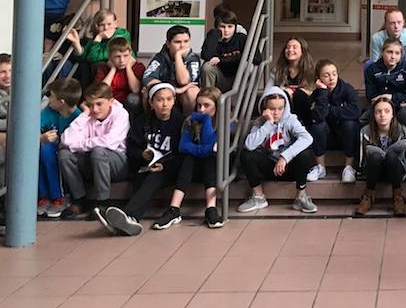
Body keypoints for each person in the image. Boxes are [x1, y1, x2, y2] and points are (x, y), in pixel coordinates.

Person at [95, 83, 185, 236]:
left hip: (169, 169)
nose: (165, 104)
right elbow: (131, 148)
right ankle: (130, 220)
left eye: (169, 99)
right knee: (141, 179)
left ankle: (129, 215)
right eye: (160, 100)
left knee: (154, 178)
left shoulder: (180, 122)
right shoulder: (141, 121)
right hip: (145, 167)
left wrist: (165, 165)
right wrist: (141, 154)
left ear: (174, 100)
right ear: (151, 103)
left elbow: (183, 155)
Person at [237, 86, 318, 214]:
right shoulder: (260, 122)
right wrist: (268, 124)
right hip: (269, 166)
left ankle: (301, 196)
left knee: (306, 154)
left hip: (289, 167)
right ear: (264, 108)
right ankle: (258, 197)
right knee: (246, 154)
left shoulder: (291, 120)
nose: (276, 113)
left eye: (280, 109)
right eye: (272, 109)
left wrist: (285, 157)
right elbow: (249, 145)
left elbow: (307, 138)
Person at [154, 87, 226, 230]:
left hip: (216, 167)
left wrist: (205, 121)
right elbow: (183, 146)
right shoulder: (190, 120)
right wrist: (203, 149)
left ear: (217, 107)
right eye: (198, 105)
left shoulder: (225, 124)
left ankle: (211, 209)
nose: (201, 109)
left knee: (209, 158)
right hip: (194, 166)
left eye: (206, 105)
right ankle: (174, 209)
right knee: (189, 158)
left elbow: (209, 144)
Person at [58, 83, 130, 219]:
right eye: (90, 105)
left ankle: (103, 202)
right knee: (64, 155)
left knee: (98, 151)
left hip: (118, 163)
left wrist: (79, 145)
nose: (94, 109)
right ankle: (80, 200)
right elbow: (65, 141)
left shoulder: (121, 114)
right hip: (92, 161)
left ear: (111, 101)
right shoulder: (88, 116)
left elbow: (109, 142)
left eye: (99, 104)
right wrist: (84, 115)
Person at [365, 38, 406, 180]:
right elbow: (371, 96)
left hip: (402, 108)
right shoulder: (372, 70)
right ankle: (363, 165)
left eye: (397, 53)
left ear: (402, 55)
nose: (393, 56)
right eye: (389, 52)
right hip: (379, 106)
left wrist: (391, 97)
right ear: (382, 52)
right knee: (362, 119)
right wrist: (391, 101)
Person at [355, 97, 406, 217]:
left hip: (394, 170)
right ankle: (368, 196)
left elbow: (401, 157)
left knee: (390, 156)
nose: (382, 115)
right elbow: (365, 155)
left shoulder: (402, 130)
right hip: (374, 170)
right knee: (375, 156)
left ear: (392, 115)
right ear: (373, 115)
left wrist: (383, 153)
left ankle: (397, 197)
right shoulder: (366, 131)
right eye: (378, 111)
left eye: (386, 111)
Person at [308, 60, 361, 183]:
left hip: (345, 136)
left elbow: (356, 111)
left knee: (350, 123)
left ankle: (348, 167)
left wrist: (330, 110)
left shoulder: (347, 89)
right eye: (326, 75)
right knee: (318, 126)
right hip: (326, 137)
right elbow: (319, 115)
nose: (331, 78)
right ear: (319, 79)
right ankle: (320, 167)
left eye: (334, 74)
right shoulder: (317, 93)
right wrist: (323, 93)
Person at [37, 78, 83, 218]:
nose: (48, 99)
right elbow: (33, 129)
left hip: (69, 155)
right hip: (49, 151)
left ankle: (59, 197)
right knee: (39, 149)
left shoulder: (78, 118)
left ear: (61, 102)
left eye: (51, 96)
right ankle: (44, 196)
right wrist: (40, 138)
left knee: (48, 150)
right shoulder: (48, 112)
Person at [143, 25, 201, 113]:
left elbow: (184, 81)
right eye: (178, 42)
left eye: (186, 41)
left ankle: (189, 124)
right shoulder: (160, 57)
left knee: (192, 92)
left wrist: (178, 56)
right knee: (146, 91)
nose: (182, 46)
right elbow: (147, 79)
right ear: (168, 43)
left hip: (183, 96)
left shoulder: (193, 58)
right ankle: (150, 124)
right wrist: (173, 89)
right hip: (164, 94)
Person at [64, 9, 129, 88]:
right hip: (103, 70)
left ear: (115, 24)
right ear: (97, 26)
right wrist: (76, 43)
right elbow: (83, 58)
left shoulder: (121, 35)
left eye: (109, 24)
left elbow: (92, 57)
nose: (106, 28)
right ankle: (85, 96)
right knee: (83, 65)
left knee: (97, 65)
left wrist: (99, 37)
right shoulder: (95, 38)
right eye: (102, 25)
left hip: (119, 69)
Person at [269, 37, 317, 126]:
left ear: (303, 51)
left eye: (294, 47)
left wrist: (307, 92)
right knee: (284, 94)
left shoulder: (311, 70)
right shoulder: (277, 70)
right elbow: (269, 91)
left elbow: (318, 91)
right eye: (288, 47)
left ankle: (303, 127)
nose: (290, 50)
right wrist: (282, 91)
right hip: (284, 108)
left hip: (305, 107)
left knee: (299, 94)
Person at [94, 37, 145, 118]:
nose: (122, 60)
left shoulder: (138, 67)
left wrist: (128, 68)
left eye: (125, 56)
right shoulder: (103, 68)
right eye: (117, 56)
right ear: (110, 56)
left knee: (134, 98)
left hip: (128, 104)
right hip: (110, 102)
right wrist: (112, 70)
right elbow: (101, 91)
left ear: (130, 54)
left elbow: (135, 89)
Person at [200, 8, 247, 92]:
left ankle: (238, 102)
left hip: (237, 79)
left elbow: (256, 58)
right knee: (207, 66)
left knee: (247, 65)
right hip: (220, 78)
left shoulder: (241, 38)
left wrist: (221, 60)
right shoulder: (213, 37)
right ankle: (208, 99)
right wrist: (215, 33)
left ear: (235, 27)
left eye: (230, 26)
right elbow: (205, 55)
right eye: (222, 26)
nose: (226, 30)